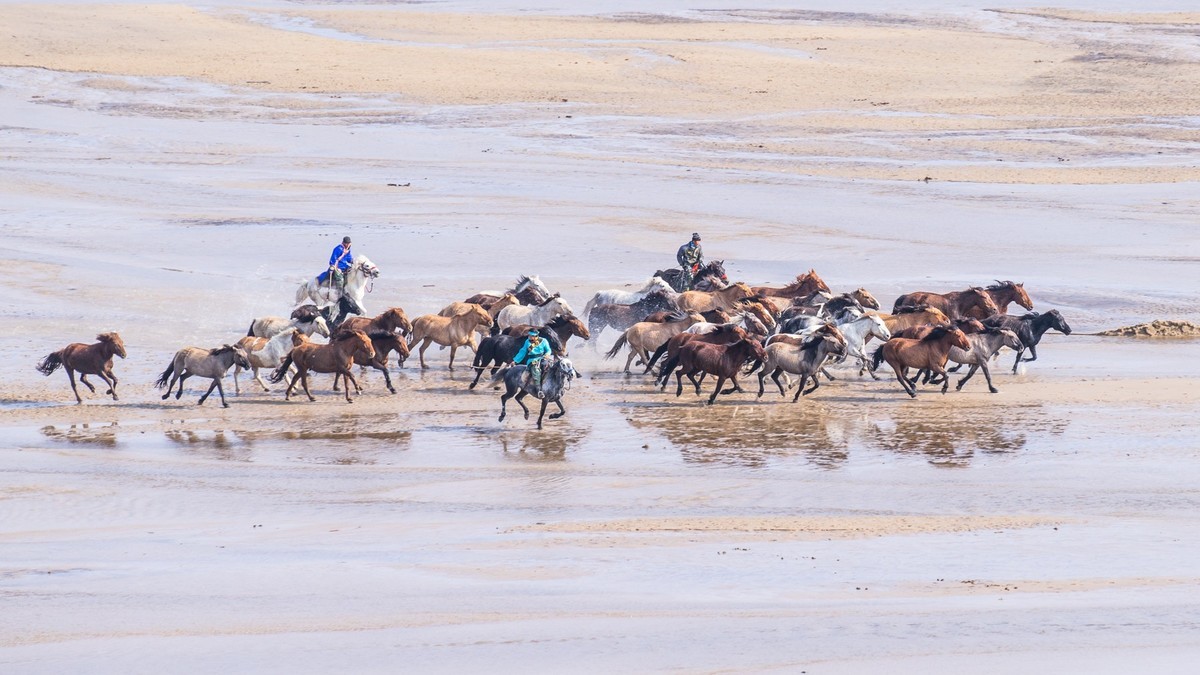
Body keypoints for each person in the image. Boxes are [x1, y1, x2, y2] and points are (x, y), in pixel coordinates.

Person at [512, 328, 553, 395]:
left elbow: (548, 350)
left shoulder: (543, 341)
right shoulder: (527, 342)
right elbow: (522, 352)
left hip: (543, 358)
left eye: (531, 336)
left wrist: (547, 355)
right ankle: (538, 390)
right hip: (533, 360)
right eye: (529, 335)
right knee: (535, 370)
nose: (529, 337)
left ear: (536, 336)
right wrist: (515, 360)